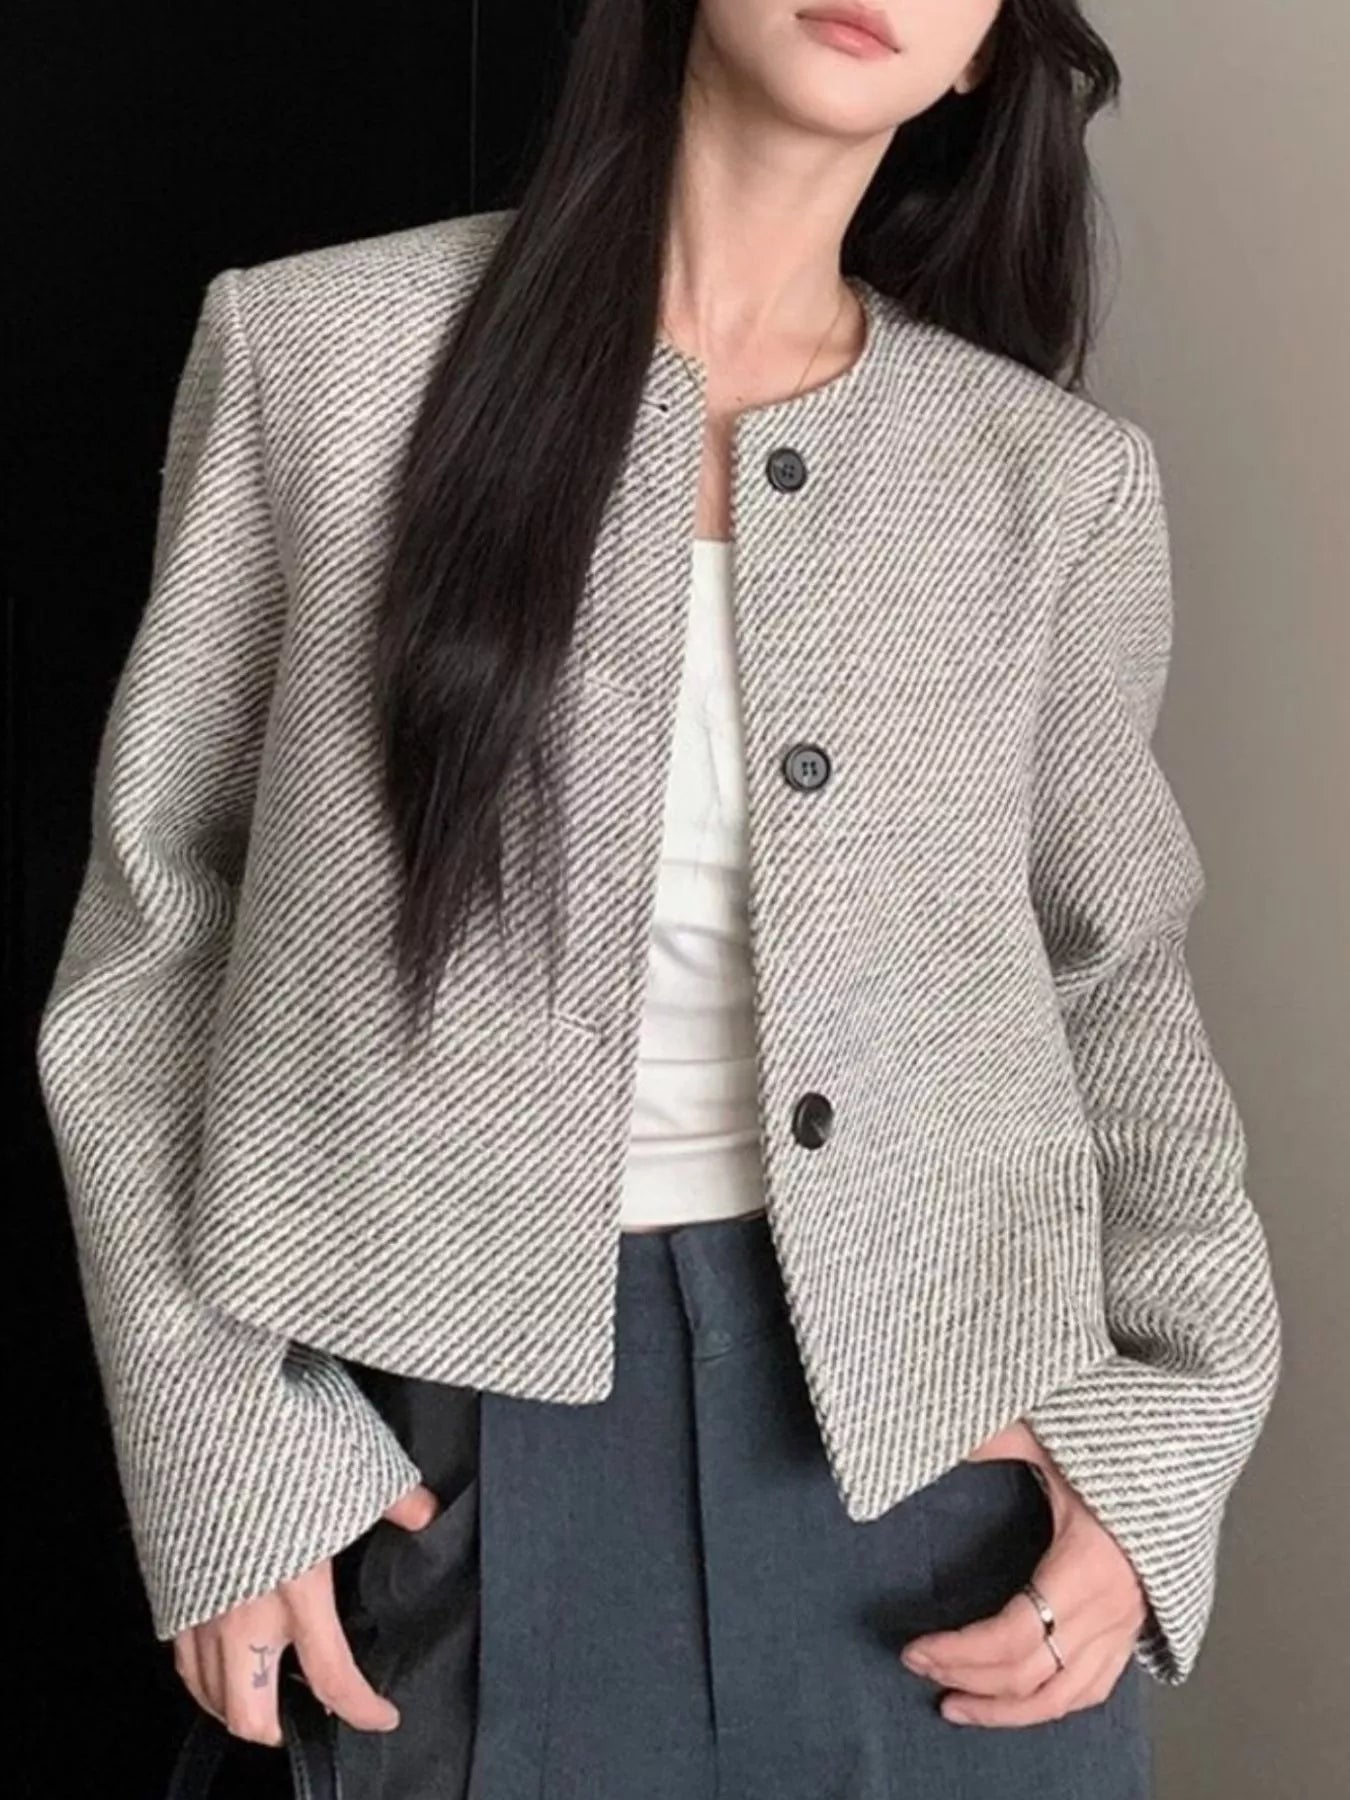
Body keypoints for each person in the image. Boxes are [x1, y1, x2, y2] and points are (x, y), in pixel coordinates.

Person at [37, 2, 1283, 1796]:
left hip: (945, 1476)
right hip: (442, 1455)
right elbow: (157, 945)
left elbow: (1117, 982)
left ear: (983, 55)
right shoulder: (319, 354)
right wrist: (223, 1451)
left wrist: (1159, 1442)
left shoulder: (1044, 479)